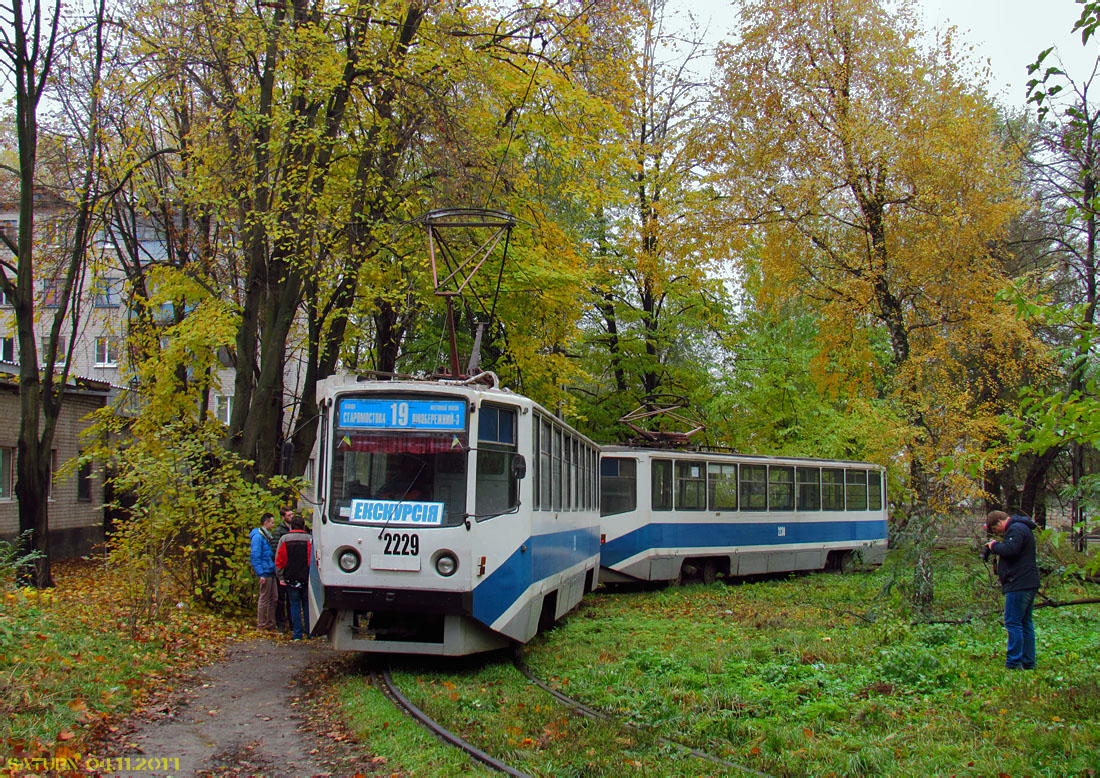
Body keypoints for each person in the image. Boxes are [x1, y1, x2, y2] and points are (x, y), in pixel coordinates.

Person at [984, 510, 1041, 670]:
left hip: (1019, 583)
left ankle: (1014, 662)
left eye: (995, 529)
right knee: (1025, 622)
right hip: (1027, 582)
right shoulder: (1021, 527)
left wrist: (994, 546)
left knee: (1013, 621)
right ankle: (1028, 662)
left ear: (1000, 522)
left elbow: (1011, 550)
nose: (997, 532)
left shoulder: (1016, 529)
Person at [275, 515, 313, 640]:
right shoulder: (309, 539)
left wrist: (280, 576)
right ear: (303, 526)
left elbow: (279, 560)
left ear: (291, 526)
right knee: (306, 604)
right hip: (306, 576)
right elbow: (312, 560)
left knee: (294, 604)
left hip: (290, 577)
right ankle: (309, 631)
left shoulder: (284, 539)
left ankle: (297, 633)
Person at [249, 513, 278, 630]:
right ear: (266, 522)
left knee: (274, 598)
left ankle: (270, 623)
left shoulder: (266, 536)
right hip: (265, 571)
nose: (273, 525)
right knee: (264, 598)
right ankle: (261, 625)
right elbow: (255, 556)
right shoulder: (258, 537)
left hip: (270, 569)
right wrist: (260, 573)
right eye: (272, 522)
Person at [272, 506, 295, 633]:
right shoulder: (279, 531)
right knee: (281, 599)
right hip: (282, 568)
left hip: (292, 568)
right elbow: (275, 551)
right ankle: (280, 623)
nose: (291, 517)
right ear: (283, 517)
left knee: (291, 599)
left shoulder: (295, 529)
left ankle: (293, 623)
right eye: (288, 515)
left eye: (292, 514)